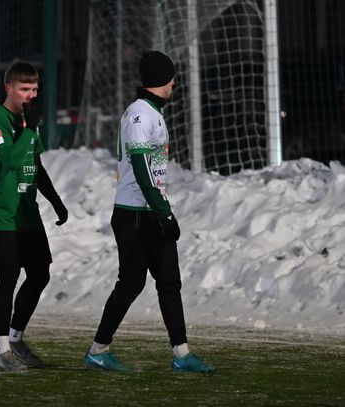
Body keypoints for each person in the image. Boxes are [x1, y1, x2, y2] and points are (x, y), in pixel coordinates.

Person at [84, 51, 215, 373]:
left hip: (149, 210)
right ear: (163, 79)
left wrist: (161, 209)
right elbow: (142, 170)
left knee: (169, 282)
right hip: (134, 213)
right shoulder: (141, 114)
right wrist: (163, 212)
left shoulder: (151, 112)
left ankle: (182, 354)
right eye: (172, 77)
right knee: (131, 282)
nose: (175, 83)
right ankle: (98, 350)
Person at [0, 61, 68, 370]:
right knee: (8, 278)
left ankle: (16, 338)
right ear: (9, 88)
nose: (31, 95)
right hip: (3, 213)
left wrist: (56, 201)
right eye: (24, 89)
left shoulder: (28, 121)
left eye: (35, 89)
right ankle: (2, 352)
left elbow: (34, 164)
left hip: (28, 213)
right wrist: (29, 129)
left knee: (40, 274)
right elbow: (11, 160)